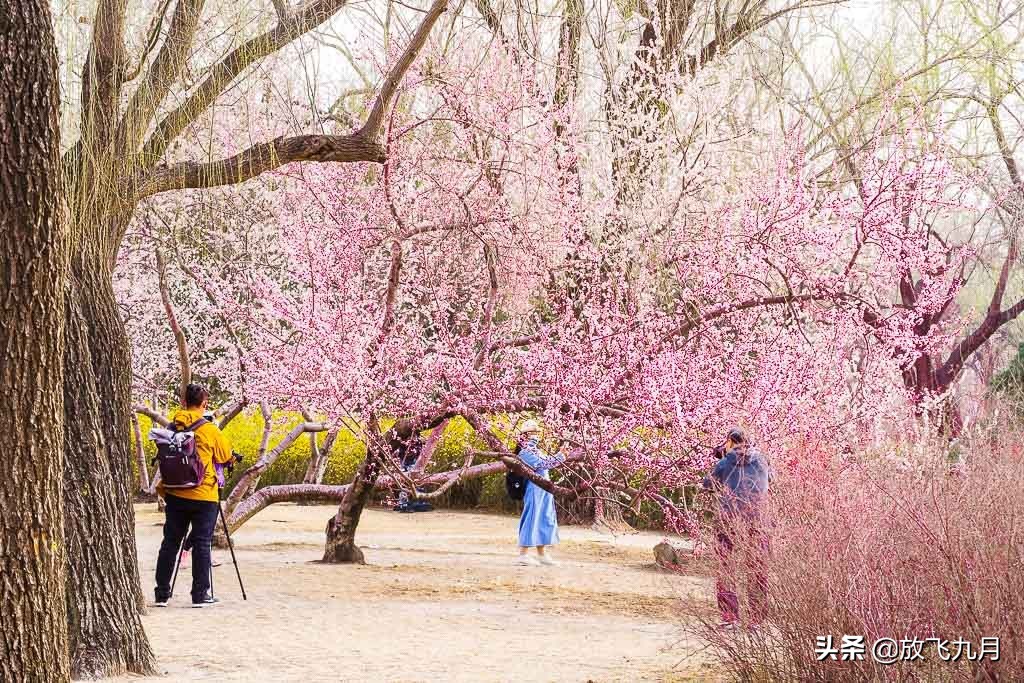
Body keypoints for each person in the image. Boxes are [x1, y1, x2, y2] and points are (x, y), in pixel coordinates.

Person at [154, 383, 235, 608]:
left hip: (174, 492)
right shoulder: (210, 429)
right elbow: (226, 455)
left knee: (170, 541)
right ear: (204, 403)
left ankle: (161, 594)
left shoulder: (172, 426)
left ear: (183, 402)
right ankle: (200, 595)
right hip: (203, 494)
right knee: (201, 543)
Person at [702, 426, 771, 629]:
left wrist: (722, 460)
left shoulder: (725, 462)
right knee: (757, 569)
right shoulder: (763, 460)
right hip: (759, 520)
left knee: (726, 567)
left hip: (729, 519)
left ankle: (730, 617)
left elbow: (708, 484)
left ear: (730, 442)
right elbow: (771, 479)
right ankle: (756, 620)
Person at [514, 420, 565, 566]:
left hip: (545, 488)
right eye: (533, 432)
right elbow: (543, 464)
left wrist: (560, 455)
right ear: (526, 435)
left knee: (545, 517)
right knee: (532, 517)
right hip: (534, 488)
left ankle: (541, 553)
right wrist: (560, 456)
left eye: (537, 432)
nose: (536, 435)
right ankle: (523, 554)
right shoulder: (524, 452)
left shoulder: (536, 450)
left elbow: (547, 461)